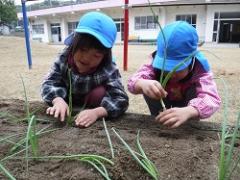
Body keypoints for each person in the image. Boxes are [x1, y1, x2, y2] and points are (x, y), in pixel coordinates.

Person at [41, 11, 129, 128]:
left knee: (99, 93)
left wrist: (97, 112)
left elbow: (120, 99)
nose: (86, 59)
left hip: (92, 104)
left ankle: (90, 110)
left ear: (104, 56)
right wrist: (58, 100)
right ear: (73, 44)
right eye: (83, 49)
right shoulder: (63, 58)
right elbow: (49, 82)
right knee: (55, 93)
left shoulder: (108, 68)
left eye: (96, 55)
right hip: (66, 101)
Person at [128, 21, 221, 128]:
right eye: (165, 67)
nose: (171, 74)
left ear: (191, 59)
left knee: (194, 92)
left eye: (177, 68)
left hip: (187, 108)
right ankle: (159, 118)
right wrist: (141, 84)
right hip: (163, 98)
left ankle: (190, 124)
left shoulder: (199, 68)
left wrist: (190, 111)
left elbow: (212, 99)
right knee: (148, 85)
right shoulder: (153, 60)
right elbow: (132, 82)